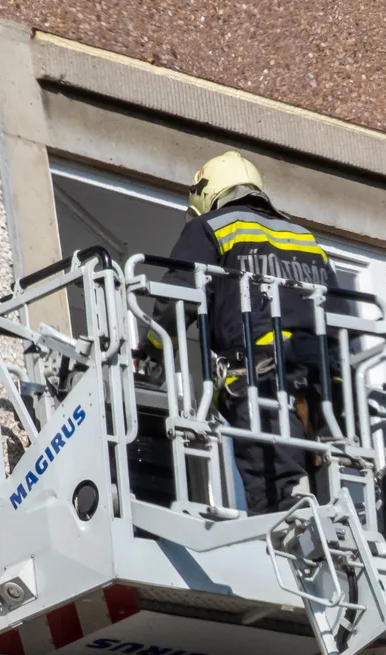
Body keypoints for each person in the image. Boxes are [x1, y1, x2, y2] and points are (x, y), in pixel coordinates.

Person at [142, 151, 342, 515]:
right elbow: (341, 319)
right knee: (324, 491)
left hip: (261, 383)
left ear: (206, 195)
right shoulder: (306, 240)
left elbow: (177, 299)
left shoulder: (212, 227)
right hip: (321, 389)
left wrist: (154, 350)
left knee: (277, 499)